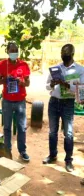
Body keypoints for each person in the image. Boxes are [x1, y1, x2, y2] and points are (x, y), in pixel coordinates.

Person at [43, 44, 84, 172]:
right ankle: (52, 155)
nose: (63, 55)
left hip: (68, 103)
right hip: (54, 102)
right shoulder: (55, 68)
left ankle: (68, 161)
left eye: (66, 53)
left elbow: (81, 89)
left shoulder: (80, 70)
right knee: (52, 132)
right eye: (62, 53)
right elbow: (47, 87)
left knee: (69, 133)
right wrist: (52, 83)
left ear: (72, 54)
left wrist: (66, 85)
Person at [0, 42, 30, 162]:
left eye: (16, 50)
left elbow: (28, 83)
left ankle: (22, 151)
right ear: (8, 52)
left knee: (22, 127)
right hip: (7, 101)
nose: (14, 53)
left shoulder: (24, 65)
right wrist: (7, 78)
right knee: (7, 127)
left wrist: (21, 82)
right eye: (12, 50)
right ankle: (7, 150)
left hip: (20, 101)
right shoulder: (2, 64)